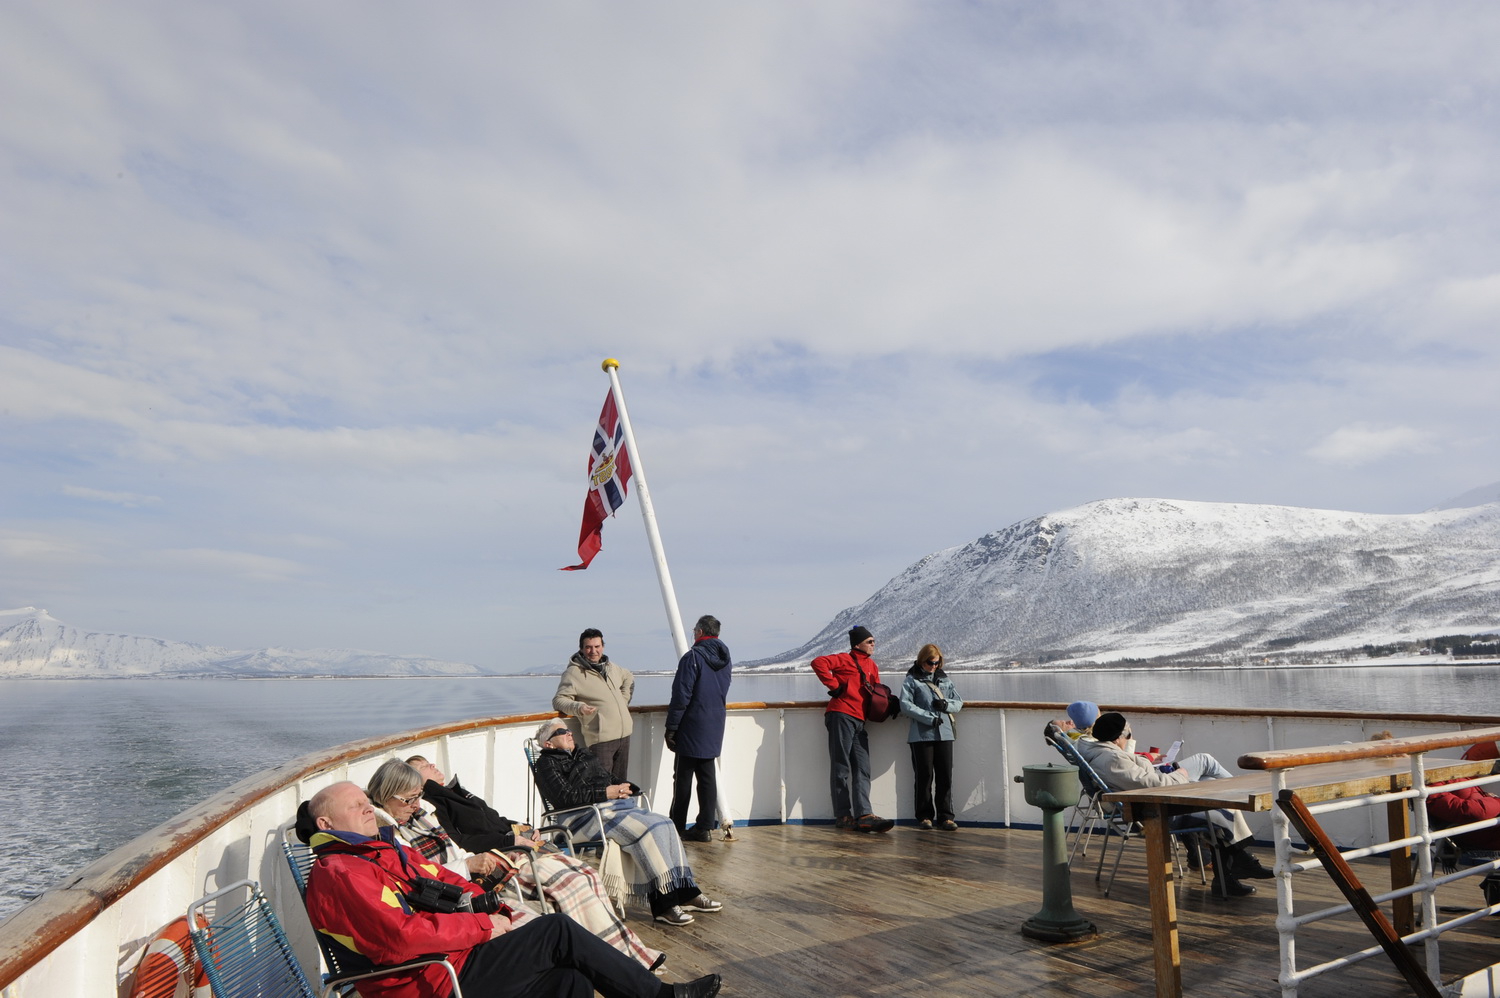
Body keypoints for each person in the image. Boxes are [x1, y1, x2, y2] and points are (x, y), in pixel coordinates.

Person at [298, 781, 721, 998]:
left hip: (451, 958)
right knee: (557, 931)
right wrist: (483, 927)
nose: (367, 809)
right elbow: (399, 939)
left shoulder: (378, 851)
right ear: (326, 825)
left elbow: (437, 879)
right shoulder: (341, 874)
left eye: (364, 802)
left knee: (569, 980)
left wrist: (485, 902)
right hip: (427, 980)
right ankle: (658, 997)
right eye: (354, 806)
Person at [365, 759, 663, 971]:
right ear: (387, 795)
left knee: (583, 875)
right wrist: (470, 864)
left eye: (419, 797)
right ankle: (622, 963)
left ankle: (631, 955)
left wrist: (502, 841)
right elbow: (419, 880)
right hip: (466, 893)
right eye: (410, 799)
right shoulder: (389, 834)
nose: (418, 804)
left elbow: (456, 847)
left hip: (478, 877)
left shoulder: (419, 816)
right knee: (563, 901)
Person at [533, 721, 723, 927]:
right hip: (581, 818)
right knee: (647, 831)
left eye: (569, 729)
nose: (569, 733)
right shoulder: (546, 764)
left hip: (609, 808)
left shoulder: (584, 755)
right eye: (562, 731)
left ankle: (686, 891)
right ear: (548, 744)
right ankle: (664, 905)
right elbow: (564, 797)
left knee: (665, 823)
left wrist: (625, 787)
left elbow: (607, 777)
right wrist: (606, 793)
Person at [1076, 711, 1272, 897]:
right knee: (1222, 810)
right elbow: (1150, 783)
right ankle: (1238, 866)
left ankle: (1233, 871)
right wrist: (1180, 775)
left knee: (1213, 789)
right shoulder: (1111, 758)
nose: (1128, 739)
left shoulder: (1101, 752)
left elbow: (1139, 778)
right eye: (1127, 735)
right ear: (1117, 738)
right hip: (1151, 810)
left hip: (1148, 799)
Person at [811, 626, 895, 833]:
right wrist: (834, 686)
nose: (873, 644)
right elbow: (818, 662)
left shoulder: (872, 666)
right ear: (857, 644)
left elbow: (875, 692)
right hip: (841, 715)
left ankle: (864, 815)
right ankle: (843, 815)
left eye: (874, 641)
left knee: (863, 768)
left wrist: (890, 704)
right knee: (841, 767)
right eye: (869, 641)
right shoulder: (844, 659)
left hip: (860, 720)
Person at [664, 615, 732, 842]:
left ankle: (677, 826)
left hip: (692, 724)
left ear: (701, 632)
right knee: (707, 776)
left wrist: (672, 727)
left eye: (694, 630)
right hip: (714, 723)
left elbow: (681, 695)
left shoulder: (692, 657)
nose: (693, 633)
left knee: (683, 777)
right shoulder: (725, 658)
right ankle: (704, 827)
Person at [553, 628, 635, 782]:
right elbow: (559, 700)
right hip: (601, 739)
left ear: (602, 646)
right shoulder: (573, 673)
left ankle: (620, 807)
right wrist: (579, 707)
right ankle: (603, 808)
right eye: (588, 647)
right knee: (602, 786)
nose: (593, 651)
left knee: (621, 785)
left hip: (624, 735)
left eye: (597, 646)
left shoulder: (611, 667)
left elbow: (628, 677)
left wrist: (623, 701)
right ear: (582, 649)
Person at [898, 643, 964, 831]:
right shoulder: (912, 680)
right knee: (924, 776)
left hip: (945, 734)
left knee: (945, 776)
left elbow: (958, 702)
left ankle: (946, 817)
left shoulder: (945, 680)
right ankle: (924, 816)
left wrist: (946, 705)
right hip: (921, 736)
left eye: (937, 663)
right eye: (930, 662)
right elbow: (905, 705)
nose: (934, 666)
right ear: (921, 661)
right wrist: (929, 718)